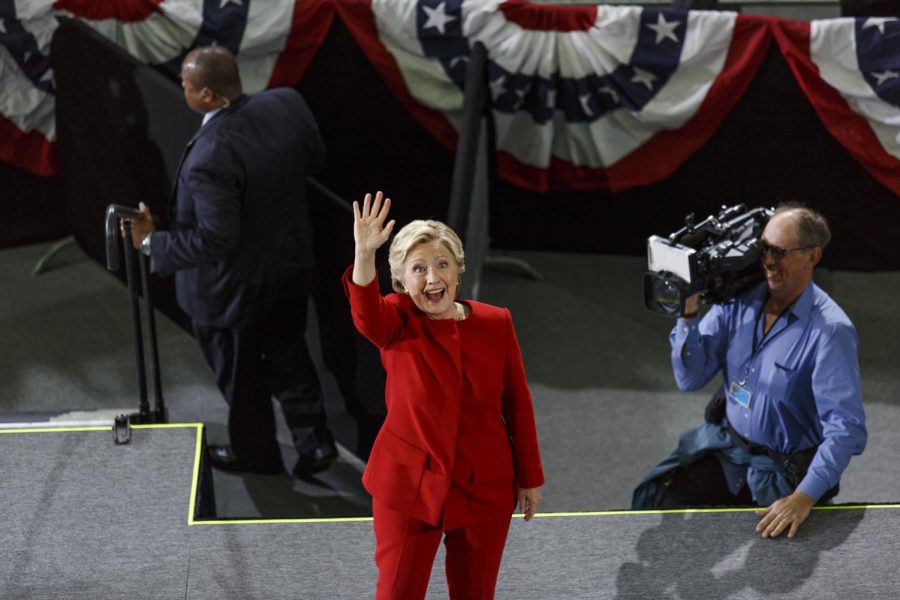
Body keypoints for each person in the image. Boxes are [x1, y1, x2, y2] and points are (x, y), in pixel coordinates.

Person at [129, 46, 337, 478]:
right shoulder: (285, 103)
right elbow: (314, 160)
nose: (182, 91)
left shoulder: (209, 156)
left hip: (230, 294)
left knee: (241, 377)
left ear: (206, 95)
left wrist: (153, 243)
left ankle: (257, 454)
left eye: (186, 86)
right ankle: (314, 442)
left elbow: (215, 240)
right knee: (290, 354)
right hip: (290, 268)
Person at [345, 191, 544, 599]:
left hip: (484, 485)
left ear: (458, 270)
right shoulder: (396, 321)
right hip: (409, 486)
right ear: (401, 280)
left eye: (442, 265)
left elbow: (517, 404)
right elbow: (365, 312)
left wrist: (529, 477)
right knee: (398, 592)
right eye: (419, 269)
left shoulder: (495, 322)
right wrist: (364, 255)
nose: (433, 279)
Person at [632, 203, 867, 539]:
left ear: (812, 257)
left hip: (782, 473)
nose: (768, 261)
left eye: (780, 252)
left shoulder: (830, 331)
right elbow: (690, 378)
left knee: (772, 571)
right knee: (655, 501)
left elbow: (847, 431)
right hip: (730, 450)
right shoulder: (738, 302)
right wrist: (687, 316)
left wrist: (804, 497)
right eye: (764, 249)